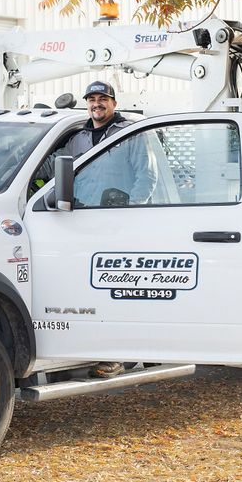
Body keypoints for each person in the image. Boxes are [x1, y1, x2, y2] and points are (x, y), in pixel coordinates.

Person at [65, 82, 158, 378]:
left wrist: (130, 214)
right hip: (83, 223)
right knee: (92, 291)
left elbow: (147, 176)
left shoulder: (129, 134)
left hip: (120, 224)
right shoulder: (77, 138)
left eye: (102, 99)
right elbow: (54, 171)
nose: (96, 104)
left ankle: (120, 354)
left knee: (120, 290)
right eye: (91, 99)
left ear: (114, 103)